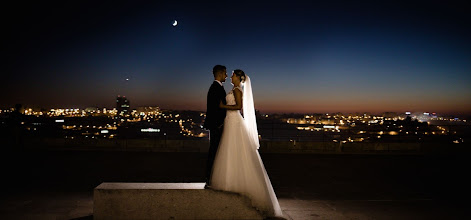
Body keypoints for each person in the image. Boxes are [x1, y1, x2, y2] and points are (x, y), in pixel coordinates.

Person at [210, 69, 283, 217]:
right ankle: (231, 180)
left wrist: (223, 107)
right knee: (230, 149)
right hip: (230, 122)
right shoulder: (233, 89)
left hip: (235, 121)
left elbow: (238, 107)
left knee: (236, 148)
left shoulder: (237, 90)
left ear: (238, 77)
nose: (230, 76)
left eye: (233, 75)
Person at [203, 65, 227, 188]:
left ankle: (212, 177)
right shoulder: (215, 88)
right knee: (214, 151)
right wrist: (219, 124)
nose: (226, 76)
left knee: (216, 151)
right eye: (225, 73)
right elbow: (215, 108)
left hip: (217, 124)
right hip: (217, 125)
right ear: (220, 73)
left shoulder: (217, 87)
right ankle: (209, 177)